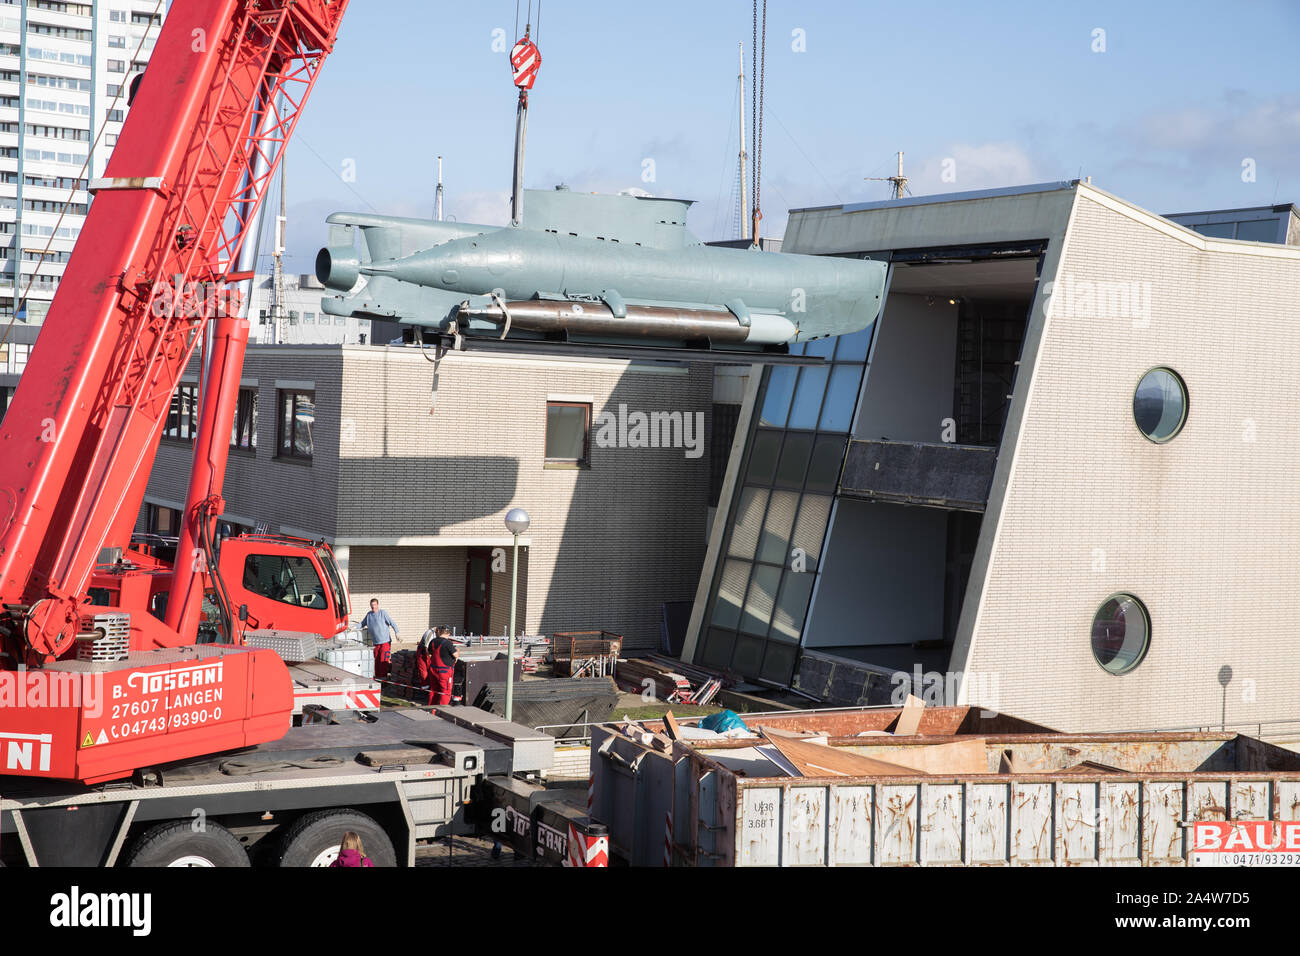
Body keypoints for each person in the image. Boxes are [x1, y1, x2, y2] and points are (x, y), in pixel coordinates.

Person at [417, 625, 459, 706]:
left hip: (433, 671)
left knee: (434, 691)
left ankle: (431, 709)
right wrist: (458, 650)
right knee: (445, 693)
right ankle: (441, 711)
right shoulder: (448, 643)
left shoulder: (433, 641)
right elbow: (456, 655)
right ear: (448, 634)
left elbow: (429, 653)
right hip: (445, 673)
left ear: (439, 632)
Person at [360, 598, 398, 682]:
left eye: (375, 605)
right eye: (372, 605)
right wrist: (353, 628)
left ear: (377, 605)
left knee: (383, 660)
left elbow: (392, 623)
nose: (373, 607)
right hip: (376, 642)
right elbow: (362, 623)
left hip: (385, 641)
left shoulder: (383, 613)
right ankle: (378, 678)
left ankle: (384, 679)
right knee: (376, 660)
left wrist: (397, 633)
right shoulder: (369, 615)